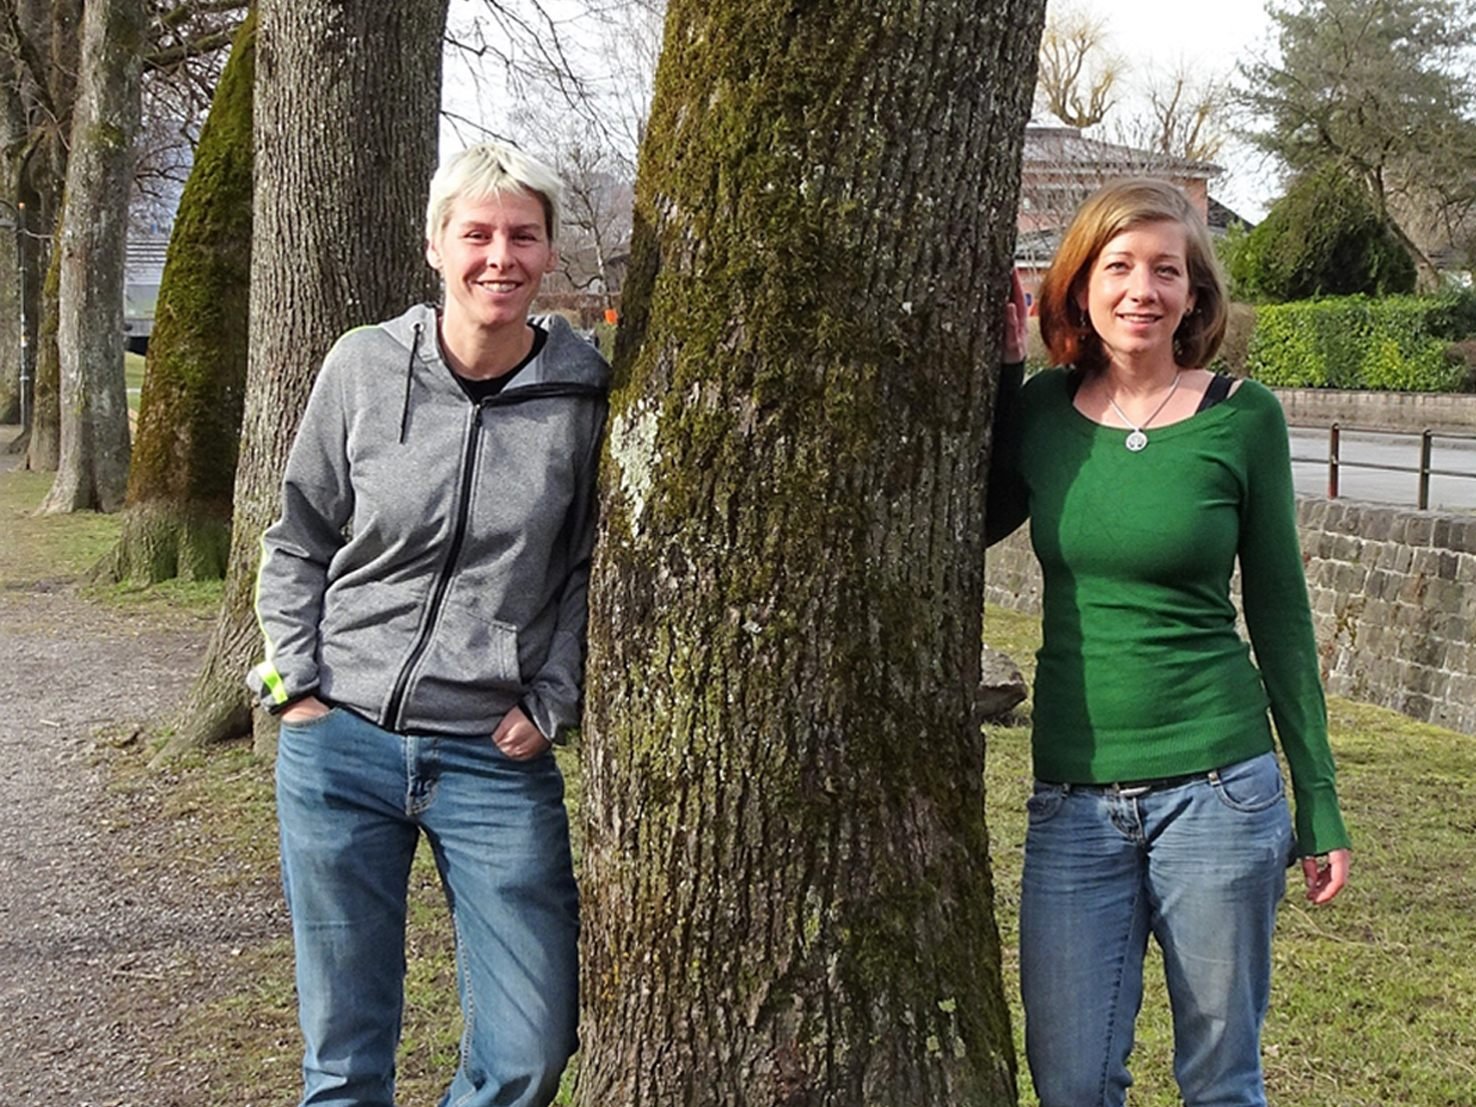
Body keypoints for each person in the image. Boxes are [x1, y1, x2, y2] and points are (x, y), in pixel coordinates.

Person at [247, 141, 608, 1107]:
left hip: (493, 753)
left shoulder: (583, 395)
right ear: (436, 245)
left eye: (522, 236)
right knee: (344, 1052)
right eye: (477, 233)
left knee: (531, 1043)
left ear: (548, 253)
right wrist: (295, 682)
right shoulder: (364, 366)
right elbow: (299, 533)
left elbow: (582, 566)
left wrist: (553, 696)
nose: (500, 256)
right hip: (340, 745)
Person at [988, 178, 1351, 1107]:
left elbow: (1280, 611)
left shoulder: (1243, 415)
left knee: (1221, 1081)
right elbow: (966, 516)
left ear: (1195, 294)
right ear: (1078, 287)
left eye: (1166, 270)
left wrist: (1318, 797)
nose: (1141, 288)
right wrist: (997, 372)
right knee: (1071, 1082)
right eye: (1118, 266)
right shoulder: (1039, 413)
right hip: (1073, 801)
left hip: (1220, 792)